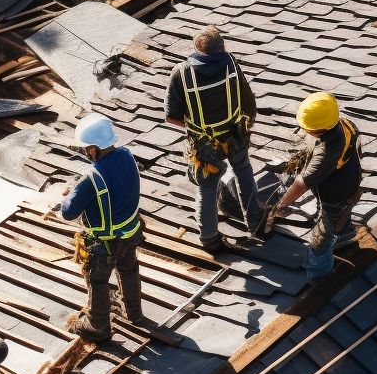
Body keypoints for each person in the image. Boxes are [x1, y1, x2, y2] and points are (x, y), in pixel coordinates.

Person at [165, 25, 265, 252]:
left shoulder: (181, 73)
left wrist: (196, 129)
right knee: (244, 173)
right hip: (234, 134)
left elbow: (171, 117)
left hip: (204, 144)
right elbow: (248, 100)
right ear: (221, 47)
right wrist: (246, 127)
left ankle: (209, 238)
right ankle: (256, 223)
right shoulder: (230, 62)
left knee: (207, 187)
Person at [60, 113, 145, 342]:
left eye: (86, 148)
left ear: (93, 149)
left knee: (97, 279)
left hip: (106, 242)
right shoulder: (127, 156)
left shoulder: (90, 178)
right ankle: (134, 313)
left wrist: (71, 192)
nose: (86, 153)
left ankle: (97, 325)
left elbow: (68, 213)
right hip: (132, 231)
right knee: (128, 268)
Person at [273, 91, 363, 282]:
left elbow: (301, 184)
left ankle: (319, 274)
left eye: (307, 128)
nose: (304, 130)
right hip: (348, 185)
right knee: (339, 217)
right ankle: (344, 235)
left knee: (319, 240)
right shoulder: (344, 123)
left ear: (319, 129)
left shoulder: (328, 151)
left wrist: (280, 205)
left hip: (337, 196)